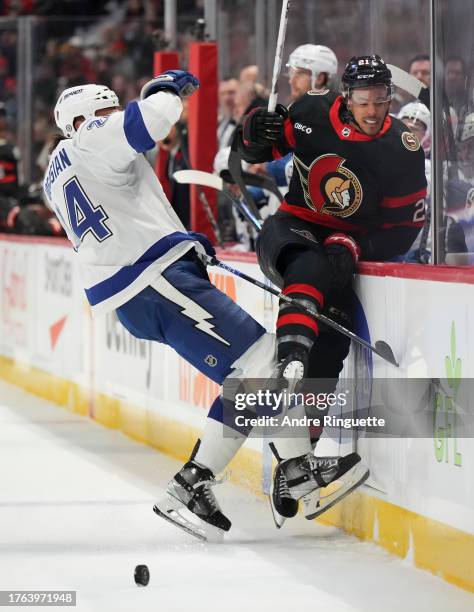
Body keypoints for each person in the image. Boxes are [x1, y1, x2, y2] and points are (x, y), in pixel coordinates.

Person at [43, 72, 362, 537]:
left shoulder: (61, 167)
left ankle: (284, 474)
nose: (114, 118)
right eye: (108, 112)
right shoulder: (89, 138)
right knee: (265, 359)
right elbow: (152, 120)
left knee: (255, 374)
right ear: (85, 119)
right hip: (154, 281)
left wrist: (181, 243)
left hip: (147, 284)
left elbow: (124, 214)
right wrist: (163, 88)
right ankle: (213, 481)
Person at [235, 55, 427, 519]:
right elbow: (256, 154)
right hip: (290, 231)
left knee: (332, 348)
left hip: (347, 249)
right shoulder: (311, 111)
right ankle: (289, 359)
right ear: (346, 97)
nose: (373, 111)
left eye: (382, 102)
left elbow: (404, 230)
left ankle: (295, 462)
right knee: (311, 266)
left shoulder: (402, 147)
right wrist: (252, 128)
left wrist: (353, 243)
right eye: (363, 102)